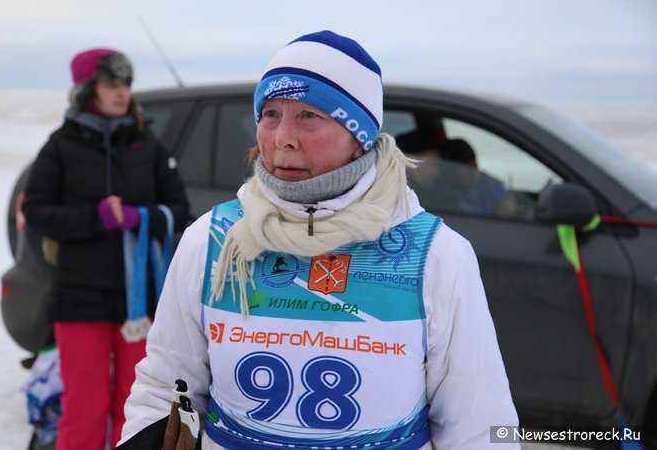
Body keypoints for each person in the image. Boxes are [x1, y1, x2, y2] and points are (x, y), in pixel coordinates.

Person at [119, 31, 519, 449]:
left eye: (310, 115)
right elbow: (165, 386)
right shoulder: (214, 239)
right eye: (270, 113)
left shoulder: (435, 254)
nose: (281, 138)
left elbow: (477, 415)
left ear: (359, 134)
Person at [22, 47, 190, 450]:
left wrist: (141, 217)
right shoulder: (61, 146)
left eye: (126, 84)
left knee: (136, 406)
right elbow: (36, 211)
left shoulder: (147, 144)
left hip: (140, 301)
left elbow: (181, 209)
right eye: (111, 83)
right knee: (85, 404)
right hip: (78, 299)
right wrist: (94, 217)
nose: (122, 92)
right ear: (86, 90)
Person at [436, 138, 514, 215]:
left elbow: (508, 204)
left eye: (474, 164)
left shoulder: (490, 185)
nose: (473, 171)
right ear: (449, 172)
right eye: (465, 167)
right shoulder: (439, 194)